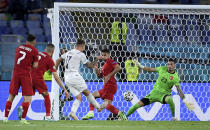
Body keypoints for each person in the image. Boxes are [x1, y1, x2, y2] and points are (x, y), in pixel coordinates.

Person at [126, 58, 195, 121]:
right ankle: (125, 117)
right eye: (168, 64)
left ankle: (174, 118)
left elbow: (179, 90)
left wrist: (185, 101)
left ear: (174, 66)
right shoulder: (162, 68)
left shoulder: (175, 77)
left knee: (170, 99)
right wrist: (141, 66)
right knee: (137, 105)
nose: (169, 66)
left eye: (171, 64)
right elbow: (150, 69)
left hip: (164, 95)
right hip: (153, 94)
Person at [17, 44, 69, 121]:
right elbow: (56, 77)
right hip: (37, 78)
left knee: (28, 99)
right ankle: (48, 117)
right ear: (53, 51)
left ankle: (22, 107)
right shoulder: (49, 60)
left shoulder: (36, 54)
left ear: (45, 49)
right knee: (46, 96)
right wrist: (64, 88)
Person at [55, 39, 101, 120]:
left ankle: (73, 112)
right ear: (82, 46)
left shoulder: (68, 52)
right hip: (74, 76)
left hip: (67, 78)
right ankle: (98, 107)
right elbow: (89, 66)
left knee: (79, 97)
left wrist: (55, 69)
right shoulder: (81, 54)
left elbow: (58, 60)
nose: (84, 48)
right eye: (84, 46)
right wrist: (97, 59)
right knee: (87, 93)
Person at [82, 48, 127, 120]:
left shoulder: (110, 61)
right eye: (102, 55)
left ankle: (118, 113)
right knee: (94, 96)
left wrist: (109, 76)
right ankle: (91, 112)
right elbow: (99, 76)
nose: (103, 56)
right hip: (107, 86)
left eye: (104, 55)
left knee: (105, 104)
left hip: (110, 85)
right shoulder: (104, 65)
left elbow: (118, 68)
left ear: (108, 55)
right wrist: (96, 69)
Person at [3, 34, 39, 124]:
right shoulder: (34, 50)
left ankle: (5, 118)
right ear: (34, 41)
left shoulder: (18, 48)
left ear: (26, 40)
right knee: (28, 98)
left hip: (15, 74)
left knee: (11, 96)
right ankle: (23, 119)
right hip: (25, 75)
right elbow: (35, 65)